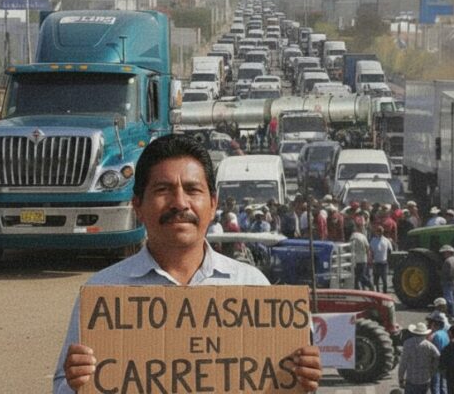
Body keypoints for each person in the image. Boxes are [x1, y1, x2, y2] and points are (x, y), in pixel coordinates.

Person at [53, 134, 322, 393]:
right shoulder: (103, 293)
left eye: (192, 190)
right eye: (163, 190)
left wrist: (302, 380)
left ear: (213, 204)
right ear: (138, 206)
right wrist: (75, 383)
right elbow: (63, 387)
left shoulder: (253, 287)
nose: (180, 203)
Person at [398, 322, 440, 394]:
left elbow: (403, 363)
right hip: (425, 379)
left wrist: (401, 378)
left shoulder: (407, 343)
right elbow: (438, 356)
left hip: (411, 379)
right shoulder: (429, 345)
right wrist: (433, 370)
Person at [428, 313, 450, 394]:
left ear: (434, 324)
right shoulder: (445, 334)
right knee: (443, 385)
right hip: (445, 362)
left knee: (435, 385)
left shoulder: (435, 335)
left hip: (436, 363)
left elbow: (432, 352)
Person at [369, 224, 392, 293]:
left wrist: (388, 259)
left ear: (382, 232)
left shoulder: (386, 240)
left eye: (380, 231)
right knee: (376, 280)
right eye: (378, 231)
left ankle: (384, 293)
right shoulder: (373, 240)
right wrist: (371, 260)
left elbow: (390, 250)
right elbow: (371, 251)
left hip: (384, 263)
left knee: (384, 280)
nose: (379, 232)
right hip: (376, 263)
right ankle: (377, 293)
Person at [350, 221, 372, 290]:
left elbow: (350, 248)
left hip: (356, 260)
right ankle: (369, 286)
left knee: (358, 277)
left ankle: (365, 287)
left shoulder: (352, 236)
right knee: (360, 276)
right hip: (362, 259)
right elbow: (367, 248)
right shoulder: (362, 236)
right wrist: (369, 257)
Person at [439, 245, 454, 318]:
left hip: (447, 281)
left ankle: (450, 313)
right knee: (453, 298)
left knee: (448, 298)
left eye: (444, 252)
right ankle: (453, 312)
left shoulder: (447, 261)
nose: (443, 254)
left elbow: (447, 273)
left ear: (448, 252)